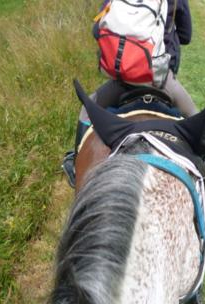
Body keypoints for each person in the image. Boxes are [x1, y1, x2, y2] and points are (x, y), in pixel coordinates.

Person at [63, 0, 196, 186]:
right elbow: (185, 36)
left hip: (123, 81)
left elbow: (98, 30)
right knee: (195, 117)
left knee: (86, 110)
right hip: (161, 80)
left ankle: (75, 164)